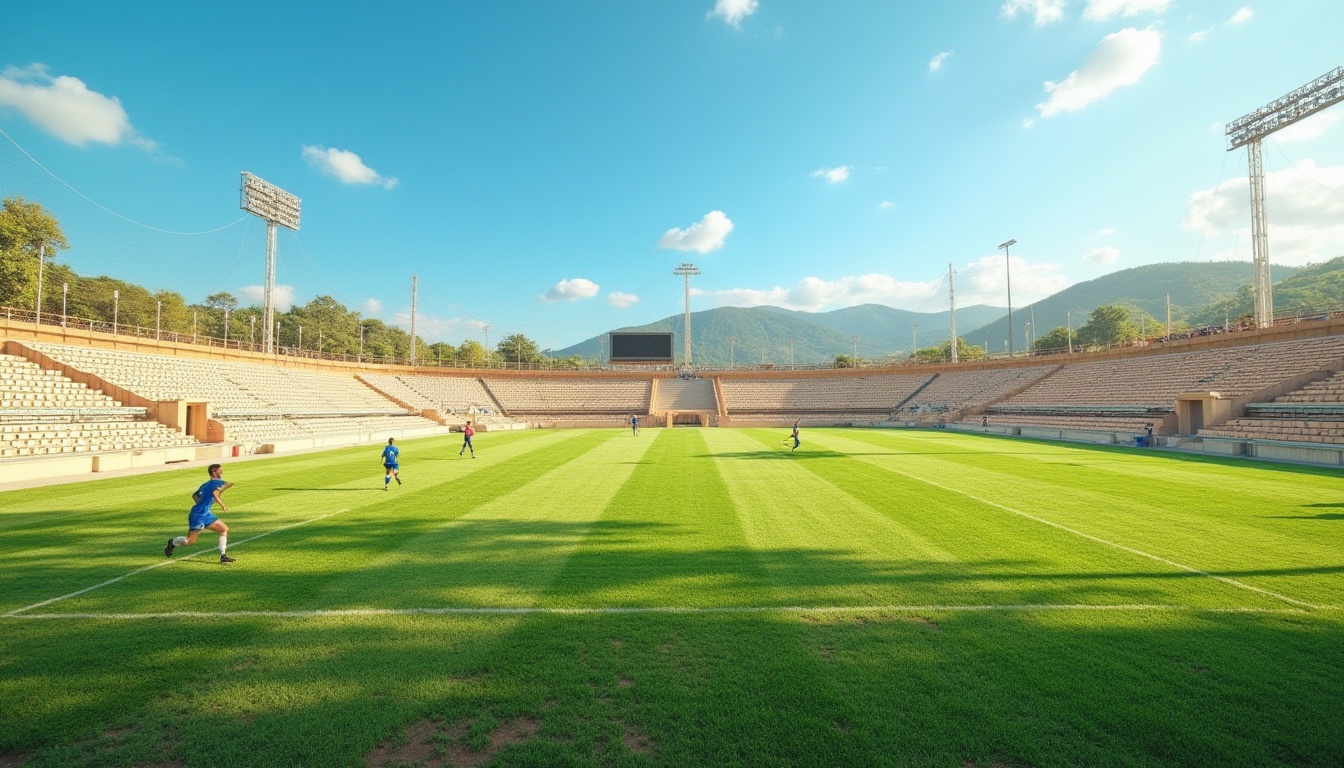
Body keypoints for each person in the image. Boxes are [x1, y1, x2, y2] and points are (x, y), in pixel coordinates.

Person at [164, 463, 235, 564]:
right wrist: (222, 505)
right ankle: (173, 542)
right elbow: (215, 494)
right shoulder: (219, 483)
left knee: (224, 529)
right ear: (214, 472)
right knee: (190, 541)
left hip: (205, 514)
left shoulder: (205, 484)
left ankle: (223, 556)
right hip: (198, 516)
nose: (222, 471)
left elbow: (194, 496)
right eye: (219, 470)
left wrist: (203, 505)